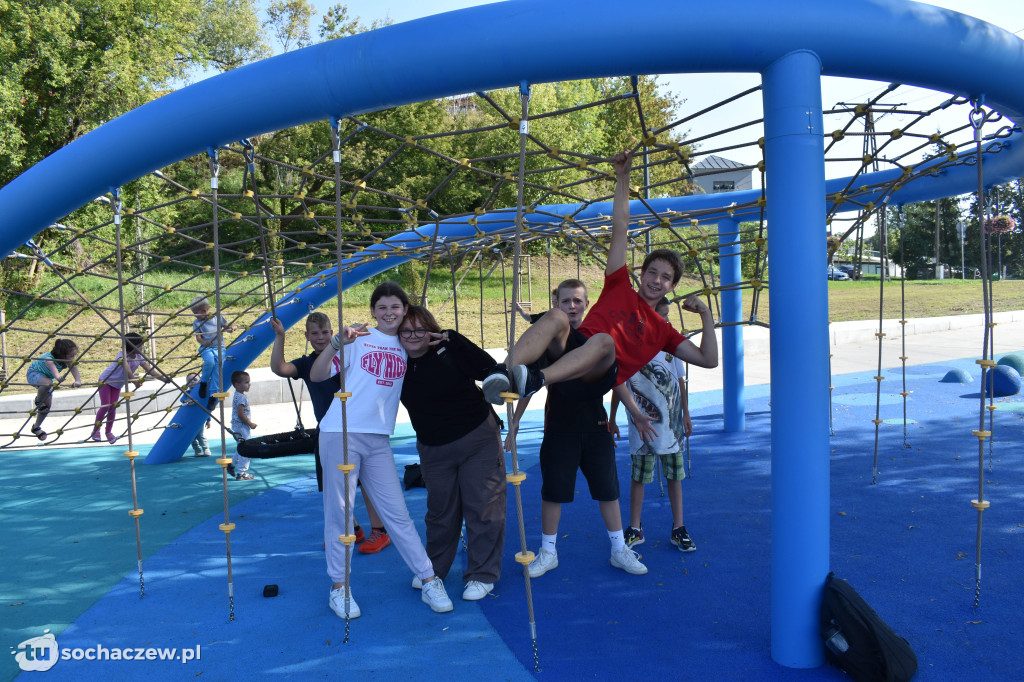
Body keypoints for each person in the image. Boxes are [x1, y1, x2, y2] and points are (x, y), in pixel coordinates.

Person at [482, 148, 717, 405]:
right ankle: (503, 372)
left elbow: (709, 360)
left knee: (604, 341)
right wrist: (623, 178)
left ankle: (536, 379)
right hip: (573, 354)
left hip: (598, 373)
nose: (656, 280)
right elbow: (620, 228)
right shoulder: (619, 286)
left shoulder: (664, 332)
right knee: (556, 316)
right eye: (652, 272)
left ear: (672, 287)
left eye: (665, 277)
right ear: (641, 274)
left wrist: (705, 314)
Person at [310, 281, 453, 619]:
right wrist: (334, 344)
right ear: (373, 310)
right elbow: (317, 375)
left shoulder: (407, 343)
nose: (389, 313)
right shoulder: (357, 339)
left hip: (378, 439)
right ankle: (338, 587)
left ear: (405, 310)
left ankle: (428, 578)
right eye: (383, 307)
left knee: (397, 513)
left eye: (396, 307)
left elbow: (435, 348)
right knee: (341, 512)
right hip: (340, 433)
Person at [506, 279, 646, 577]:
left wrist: (632, 415)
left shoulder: (593, 340)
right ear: (556, 304)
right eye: (566, 300)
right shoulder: (551, 342)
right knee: (553, 492)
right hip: (560, 426)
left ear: (586, 304)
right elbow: (527, 382)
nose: (571, 306)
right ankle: (548, 551)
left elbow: (616, 380)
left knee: (608, 491)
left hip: (595, 426)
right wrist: (515, 423)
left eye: (577, 301)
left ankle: (619, 549)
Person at [398, 305, 506, 601]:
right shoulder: (397, 361)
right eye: (406, 331)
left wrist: (454, 339)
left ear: (431, 330)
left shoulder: (449, 350)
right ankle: (433, 569)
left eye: (420, 329)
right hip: (434, 447)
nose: (413, 336)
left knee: (484, 505)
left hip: (476, 438)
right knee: (440, 512)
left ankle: (482, 573)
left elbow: (489, 368)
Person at [269, 312, 387, 552]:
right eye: (315, 333)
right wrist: (280, 336)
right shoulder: (305, 363)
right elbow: (279, 368)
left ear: (332, 334)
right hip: (327, 431)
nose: (320, 338)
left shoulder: (347, 356)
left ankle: (380, 530)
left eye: (325, 333)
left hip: (356, 426)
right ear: (307, 336)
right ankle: (353, 528)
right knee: (335, 484)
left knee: (366, 481)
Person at [609, 296, 696, 552]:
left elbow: (681, 381)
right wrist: (612, 416)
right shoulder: (629, 346)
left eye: (667, 316)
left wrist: (686, 414)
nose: (665, 320)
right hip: (641, 424)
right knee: (639, 476)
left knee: (674, 476)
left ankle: (678, 527)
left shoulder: (672, 344)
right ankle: (635, 528)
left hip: (671, 425)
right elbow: (619, 383)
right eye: (661, 316)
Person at [92, 332, 169, 443]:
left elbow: (150, 370)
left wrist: (163, 379)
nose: (142, 347)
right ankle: (96, 430)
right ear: (132, 346)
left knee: (113, 408)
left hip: (117, 385)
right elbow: (128, 370)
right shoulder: (122, 356)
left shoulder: (139, 356)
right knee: (105, 406)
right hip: (106, 381)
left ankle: (108, 432)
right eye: (140, 345)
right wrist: (135, 382)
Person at [26, 338, 83, 440]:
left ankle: (36, 427)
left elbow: (73, 368)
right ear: (61, 354)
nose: (73, 358)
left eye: (74, 355)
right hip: (34, 374)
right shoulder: (49, 358)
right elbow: (52, 367)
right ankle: (38, 401)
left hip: (47, 379)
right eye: (71, 356)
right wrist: (58, 377)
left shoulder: (67, 360)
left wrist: (77, 380)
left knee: (46, 408)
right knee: (48, 383)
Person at [190, 296, 237, 404]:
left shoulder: (217, 317)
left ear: (204, 311)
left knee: (217, 370)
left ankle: (213, 395)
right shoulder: (197, 322)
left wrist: (232, 328)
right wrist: (204, 342)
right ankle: (203, 382)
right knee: (210, 361)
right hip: (206, 348)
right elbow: (198, 338)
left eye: (195, 312)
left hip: (220, 348)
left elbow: (226, 328)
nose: (194, 315)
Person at [229, 370, 257, 481]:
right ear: (237, 385)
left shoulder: (237, 395)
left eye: (248, 382)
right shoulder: (241, 398)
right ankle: (242, 473)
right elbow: (241, 414)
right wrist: (250, 423)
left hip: (237, 426)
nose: (249, 384)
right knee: (246, 448)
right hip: (241, 426)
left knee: (242, 447)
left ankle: (231, 464)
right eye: (246, 382)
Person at [181, 373, 212, 457]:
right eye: (190, 381)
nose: (192, 382)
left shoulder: (201, 393)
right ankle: (197, 450)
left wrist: (208, 420)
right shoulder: (187, 393)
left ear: (200, 381)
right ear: (187, 383)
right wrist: (186, 401)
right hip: (189, 419)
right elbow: (182, 399)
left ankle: (206, 448)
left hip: (199, 419)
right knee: (192, 437)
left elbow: (205, 408)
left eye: (195, 380)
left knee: (200, 435)